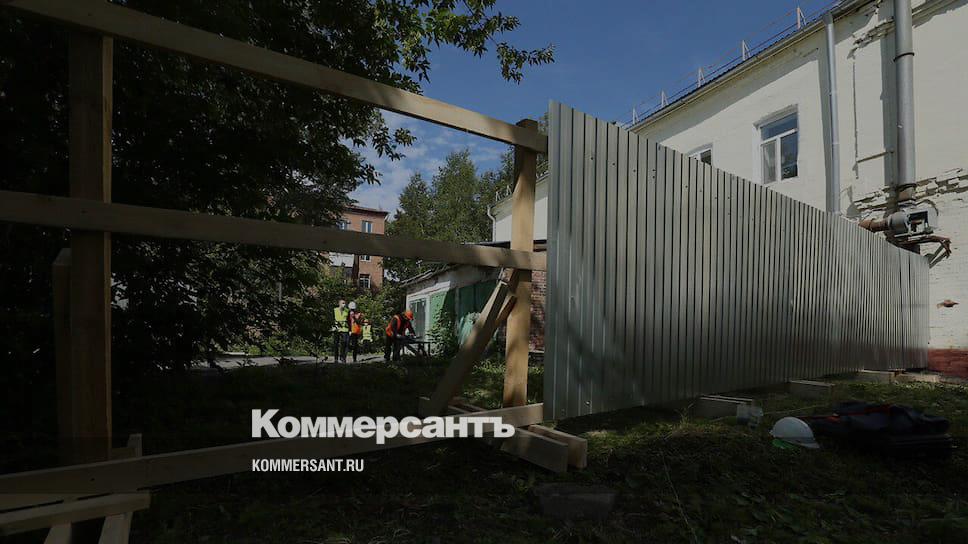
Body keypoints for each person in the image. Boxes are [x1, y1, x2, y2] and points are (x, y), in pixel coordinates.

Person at [332, 299, 349, 363]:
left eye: (344, 303)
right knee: (336, 344)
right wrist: (333, 326)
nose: (344, 304)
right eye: (342, 303)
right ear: (339, 304)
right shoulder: (335, 310)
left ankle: (342, 357)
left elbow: (349, 320)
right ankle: (336, 358)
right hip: (337, 328)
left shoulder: (347, 310)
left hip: (344, 329)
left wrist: (349, 329)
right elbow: (331, 318)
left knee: (344, 343)